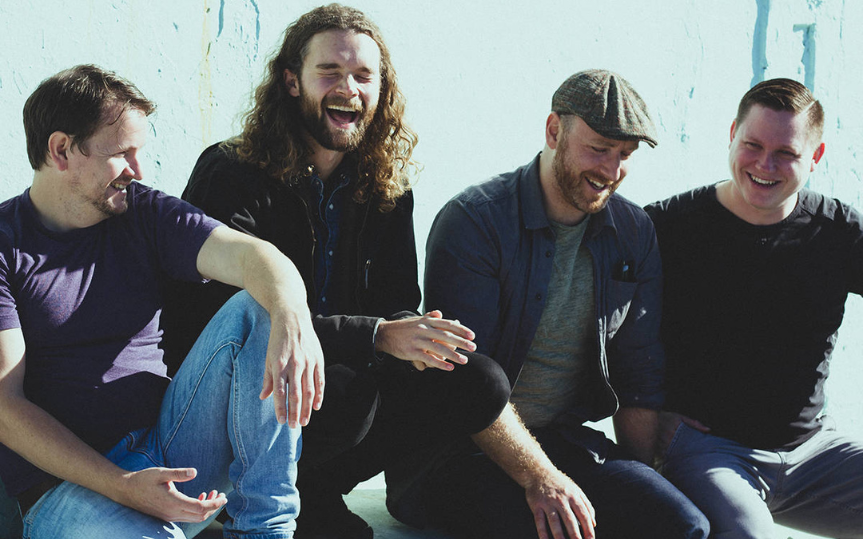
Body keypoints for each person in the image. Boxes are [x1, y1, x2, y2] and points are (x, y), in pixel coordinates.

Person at [163, 4, 510, 539]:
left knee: (476, 381)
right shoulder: (232, 170)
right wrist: (375, 335)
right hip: (232, 391)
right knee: (347, 393)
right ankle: (244, 497)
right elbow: (225, 316)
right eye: (330, 72)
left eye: (363, 76)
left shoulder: (386, 184)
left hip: (334, 381)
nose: (348, 88)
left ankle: (313, 492)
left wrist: (418, 334)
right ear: (292, 81)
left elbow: (395, 298)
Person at [0, 64, 326, 538]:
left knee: (261, 306)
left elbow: (254, 257)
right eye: (121, 154)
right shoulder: (6, 244)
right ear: (61, 149)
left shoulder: (143, 210)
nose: (137, 170)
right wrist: (123, 485)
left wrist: (292, 318)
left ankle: (265, 530)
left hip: (172, 453)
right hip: (68, 489)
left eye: (140, 153)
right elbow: (5, 409)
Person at [416, 69, 709, 539]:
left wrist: (643, 478)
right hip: (458, 453)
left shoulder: (634, 233)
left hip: (562, 441)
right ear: (554, 131)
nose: (611, 171)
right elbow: (465, 381)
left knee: (682, 525)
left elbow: (638, 374)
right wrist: (541, 479)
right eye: (598, 149)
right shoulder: (474, 222)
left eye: (624, 156)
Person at [646, 78, 863, 538]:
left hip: (813, 452)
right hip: (712, 452)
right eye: (753, 144)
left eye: (786, 152)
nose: (765, 165)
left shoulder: (839, 233)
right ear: (732, 134)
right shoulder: (668, 228)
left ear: (815, 157)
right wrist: (644, 412)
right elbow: (596, 320)